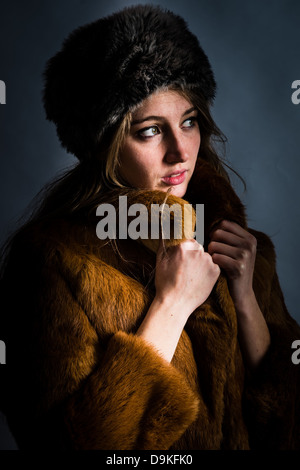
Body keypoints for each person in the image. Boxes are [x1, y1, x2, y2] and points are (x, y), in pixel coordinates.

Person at [0, 4, 299, 450]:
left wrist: (246, 302)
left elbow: (288, 427)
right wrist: (172, 304)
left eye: (189, 122)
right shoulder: (51, 261)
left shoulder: (242, 250)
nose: (180, 151)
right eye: (150, 131)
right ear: (106, 145)